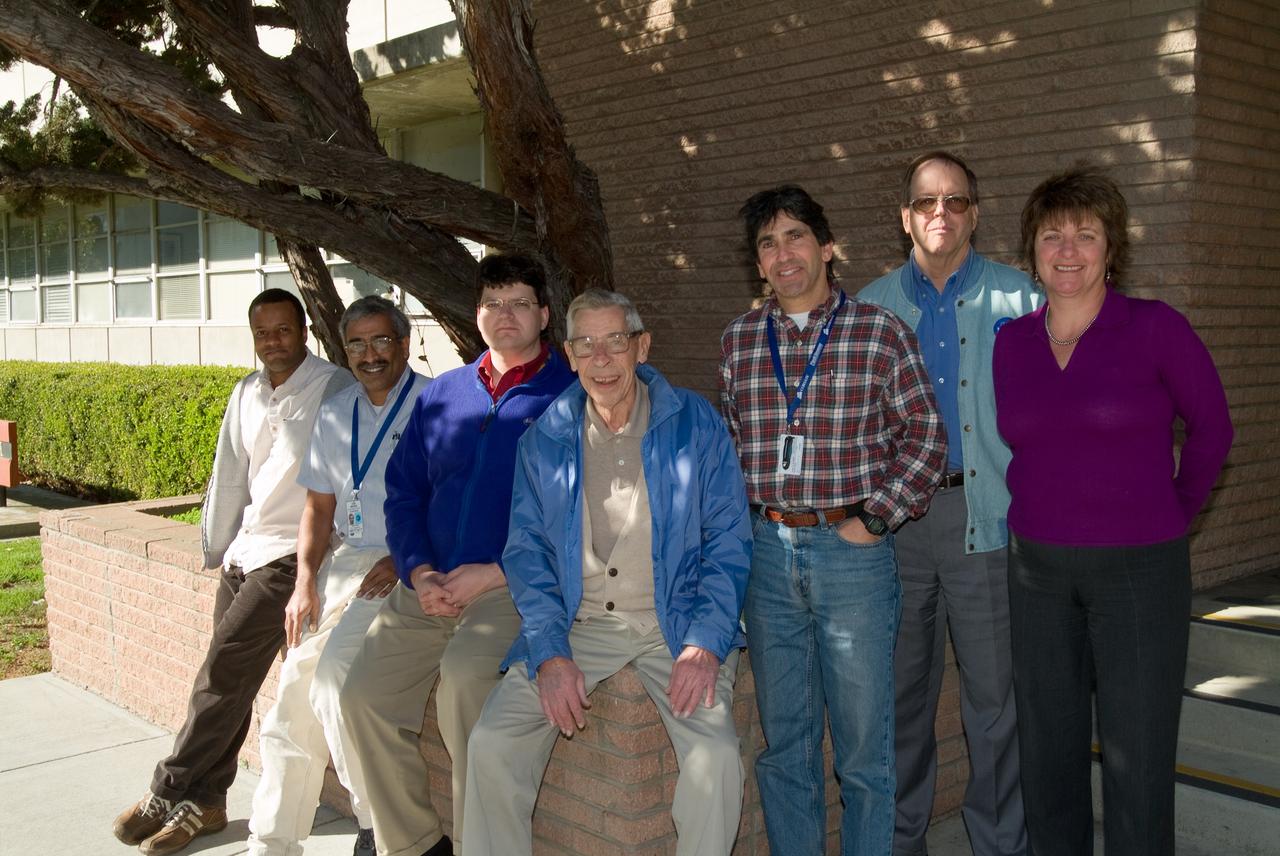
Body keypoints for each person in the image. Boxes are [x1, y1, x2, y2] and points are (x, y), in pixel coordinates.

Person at [992, 165, 1232, 856]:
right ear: (1032, 249)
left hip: (1139, 572)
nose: (1068, 250)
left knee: (1139, 756)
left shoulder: (1155, 328)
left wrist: (1173, 513)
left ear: (1111, 248)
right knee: (1048, 751)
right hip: (1036, 570)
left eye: (1085, 235)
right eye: (1052, 235)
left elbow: (1214, 429)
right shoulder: (1011, 343)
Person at [463, 289, 752, 856]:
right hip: (580, 621)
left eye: (615, 342)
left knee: (714, 760)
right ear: (568, 355)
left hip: (676, 623)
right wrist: (548, 650)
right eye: (586, 345)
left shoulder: (695, 423)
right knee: (493, 743)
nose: (601, 359)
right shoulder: (545, 437)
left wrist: (705, 642)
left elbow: (729, 540)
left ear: (641, 346)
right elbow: (527, 552)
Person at [720, 185, 947, 856]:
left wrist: (876, 519)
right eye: (768, 243)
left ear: (826, 247)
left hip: (852, 558)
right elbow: (732, 452)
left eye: (795, 237)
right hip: (768, 556)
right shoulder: (738, 341)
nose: (783, 253)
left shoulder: (878, 330)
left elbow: (926, 439)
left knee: (863, 753)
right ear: (758, 264)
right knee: (785, 745)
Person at [339, 253, 575, 856]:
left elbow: (579, 514)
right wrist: (417, 568)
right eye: (494, 303)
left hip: (509, 587)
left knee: (466, 683)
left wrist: (495, 573)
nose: (506, 315)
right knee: (360, 696)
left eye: (520, 303)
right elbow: (404, 491)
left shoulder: (568, 397)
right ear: (476, 315)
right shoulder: (444, 392)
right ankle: (414, 845)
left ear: (544, 315)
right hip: (427, 584)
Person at [113, 289, 353, 856]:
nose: (273, 341)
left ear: (303, 332)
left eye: (283, 330)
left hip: (293, 558)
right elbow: (232, 472)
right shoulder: (246, 390)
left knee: (219, 675)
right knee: (232, 685)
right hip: (245, 554)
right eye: (262, 333)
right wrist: (219, 544)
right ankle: (208, 801)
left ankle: (165, 789)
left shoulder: (333, 387)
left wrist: (324, 561)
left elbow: (347, 474)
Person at [859, 151, 1038, 856]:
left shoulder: (1019, 297)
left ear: (975, 213)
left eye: (956, 201)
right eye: (927, 201)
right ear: (905, 216)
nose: (941, 212)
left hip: (985, 522)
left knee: (995, 707)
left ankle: (999, 845)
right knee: (900, 703)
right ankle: (901, 843)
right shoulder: (871, 307)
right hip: (897, 528)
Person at [245, 296, 429, 856]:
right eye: (356, 343)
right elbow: (318, 509)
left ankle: (377, 828)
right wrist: (304, 582)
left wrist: (406, 556)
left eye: (381, 341)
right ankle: (271, 842)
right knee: (289, 702)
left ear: (403, 344)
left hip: (404, 566)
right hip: (343, 565)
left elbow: (451, 501)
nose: (369, 354)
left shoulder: (435, 404)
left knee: (334, 687)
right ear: (343, 350)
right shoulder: (337, 409)